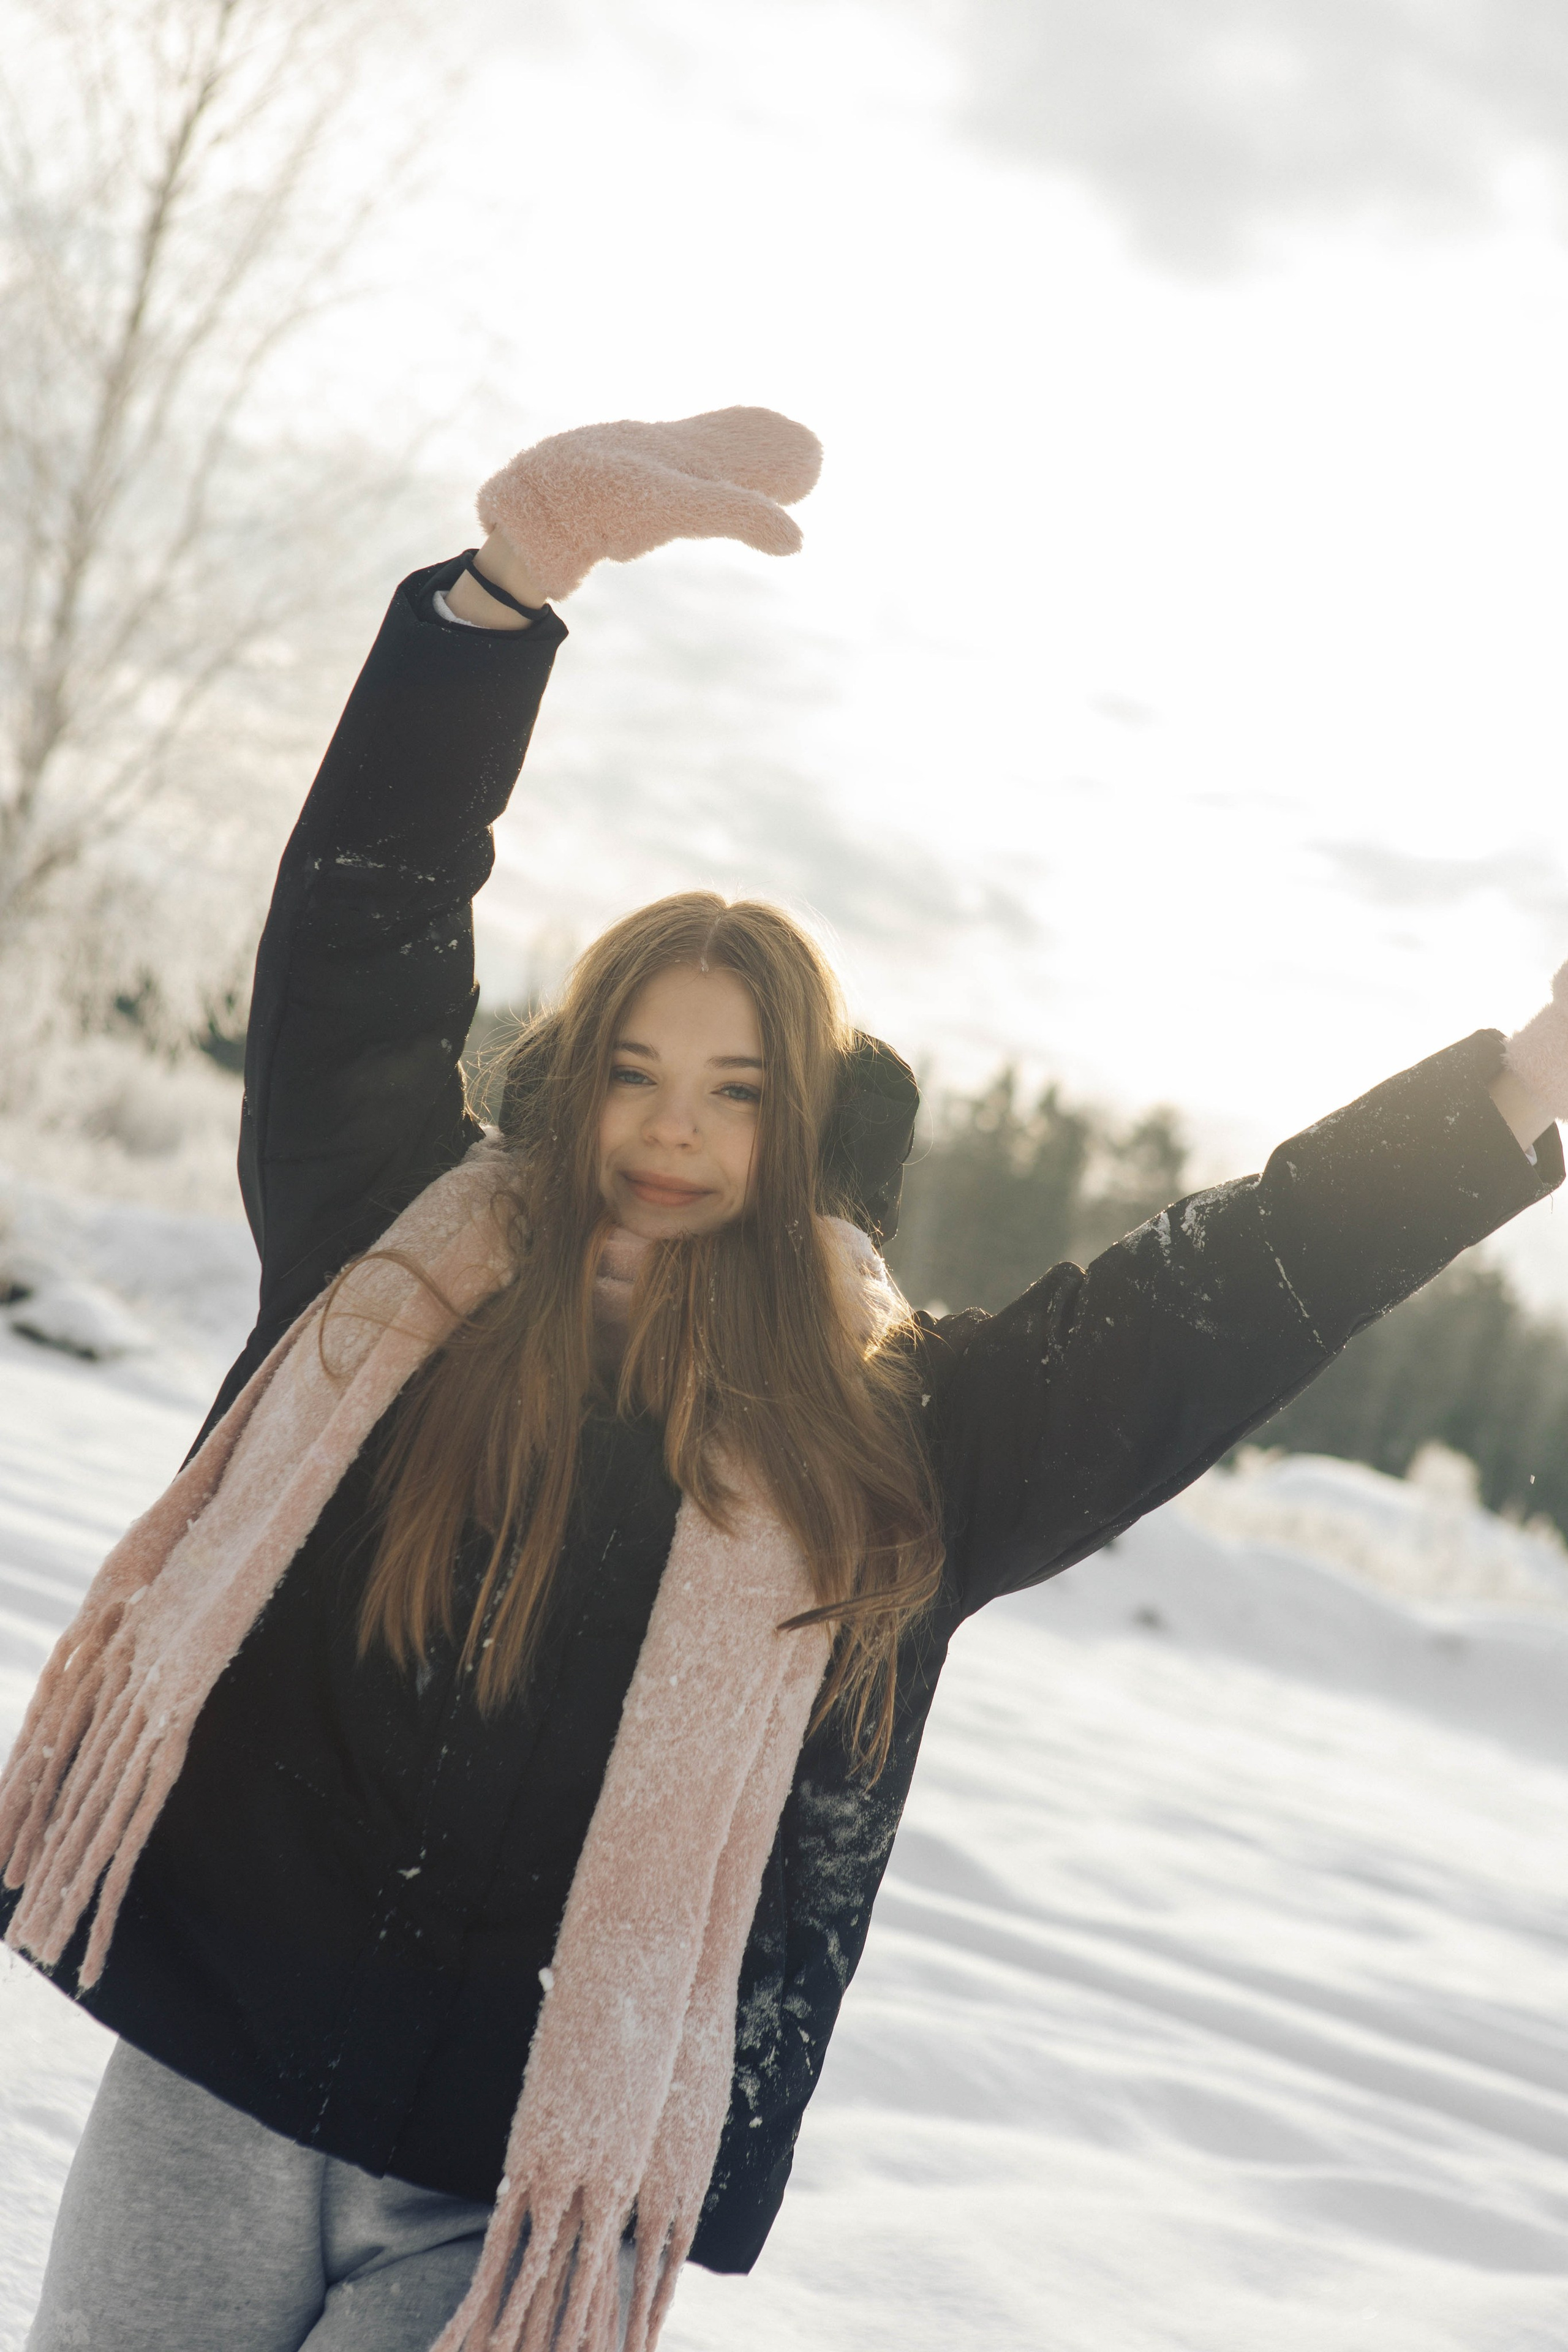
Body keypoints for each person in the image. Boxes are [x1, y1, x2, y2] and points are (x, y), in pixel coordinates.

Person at [6, 407, 1568, 2352]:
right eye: (638, 1072)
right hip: (212, 2063)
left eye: (737, 1090)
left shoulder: (890, 1444)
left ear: (801, 1124)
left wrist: (1530, 1077)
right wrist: (504, 596)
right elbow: (361, 936)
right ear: (577, 1083)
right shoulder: (395, 1265)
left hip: (509, 2198)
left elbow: (1221, 1296)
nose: (672, 1131)